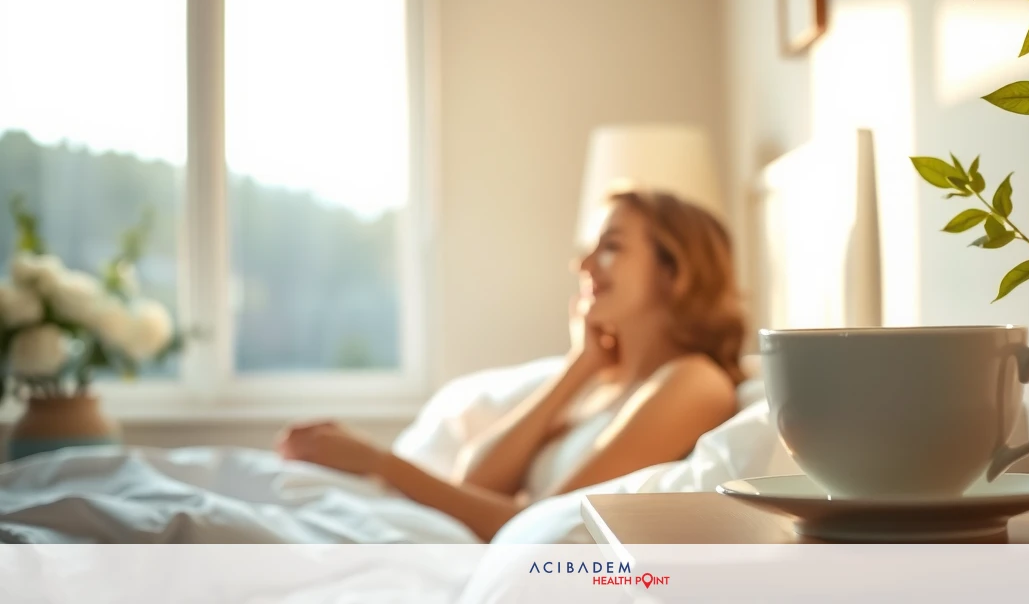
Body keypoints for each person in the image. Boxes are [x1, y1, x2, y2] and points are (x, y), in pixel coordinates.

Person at [277, 190, 745, 541]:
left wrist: (376, 461)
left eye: (611, 247)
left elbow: (543, 527)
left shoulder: (692, 382)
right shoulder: (600, 385)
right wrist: (577, 367)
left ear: (674, 270)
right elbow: (474, 480)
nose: (583, 263)